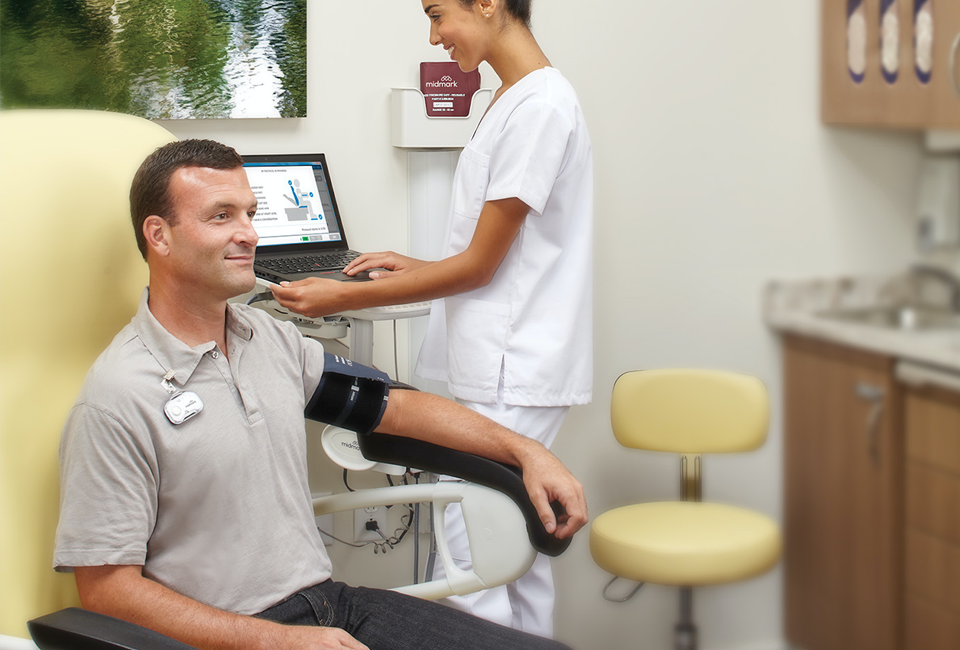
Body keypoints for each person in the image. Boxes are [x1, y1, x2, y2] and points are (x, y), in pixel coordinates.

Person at [53, 138, 588, 650]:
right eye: (222, 216)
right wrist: (277, 641)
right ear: (159, 235)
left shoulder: (269, 340)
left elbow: (391, 406)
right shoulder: (117, 399)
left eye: (250, 213)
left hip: (331, 608)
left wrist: (527, 451)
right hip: (232, 637)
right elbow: (107, 592)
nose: (249, 234)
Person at [268, 0, 592, 637]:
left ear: (489, 4)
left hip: (512, 362)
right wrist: (408, 265)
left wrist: (341, 298)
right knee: (518, 546)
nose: (435, 34)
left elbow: (478, 269)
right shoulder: (512, 98)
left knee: (475, 546)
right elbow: (502, 254)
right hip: (503, 353)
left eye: (438, 13)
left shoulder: (541, 107)